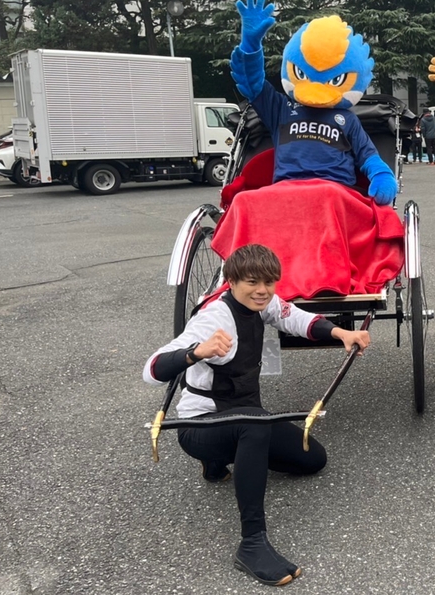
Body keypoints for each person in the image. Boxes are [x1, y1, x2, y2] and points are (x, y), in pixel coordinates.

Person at [142, 244, 371, 587]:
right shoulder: (214, 319)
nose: (262, 290)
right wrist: (195, 352)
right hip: (201, 426)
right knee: (254, 424)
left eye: (269, 282)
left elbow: (295, 318)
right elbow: (151, 369)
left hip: (242, 418)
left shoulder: (262, 303)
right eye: (252, 282)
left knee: (313, 460)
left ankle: (217, 463)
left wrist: (341, 333)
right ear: (232, 281)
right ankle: (251, 544)